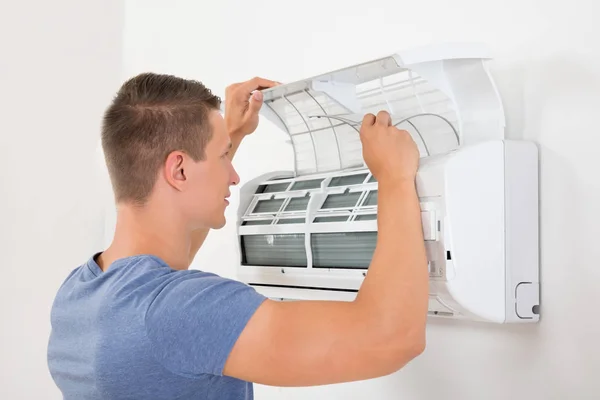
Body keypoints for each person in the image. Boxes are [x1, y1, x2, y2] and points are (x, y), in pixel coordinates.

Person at [47, 72, 429, 399]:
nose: (234, 176)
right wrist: (394, 177)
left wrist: (228, 136)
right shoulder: (180, 311)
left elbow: (161, 279)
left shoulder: (79, 295)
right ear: (178, 170)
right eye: (222, 158)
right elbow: (390, 338)